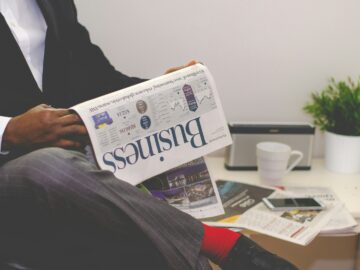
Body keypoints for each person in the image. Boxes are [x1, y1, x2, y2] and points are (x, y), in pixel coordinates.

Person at [0, 0, 298, 269]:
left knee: (158, 244)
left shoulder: (55, 4)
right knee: (50, 166)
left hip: (76, 180)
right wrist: (9, 131)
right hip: (23, 176)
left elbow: (96, 80)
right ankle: (226, 244)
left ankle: (223, 251)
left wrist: (160, 91)